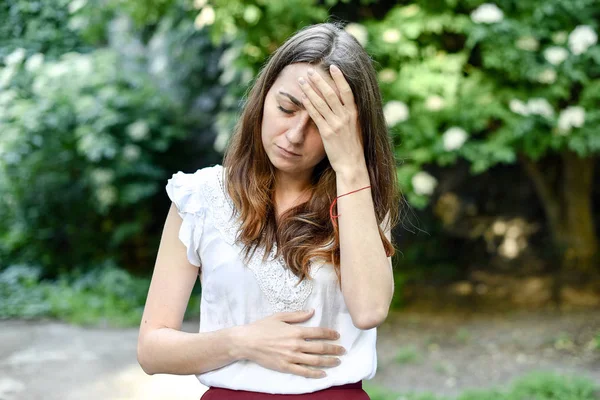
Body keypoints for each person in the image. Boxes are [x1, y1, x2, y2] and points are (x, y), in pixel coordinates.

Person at [137, 22, 401, 399]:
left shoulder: (358, 198)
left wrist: (351, 168)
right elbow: (151, 350)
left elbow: (370, 310)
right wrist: (243, 342)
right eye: (286, 108)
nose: (294, 135)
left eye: (320, 125)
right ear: (263, 98)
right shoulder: (199, 197)